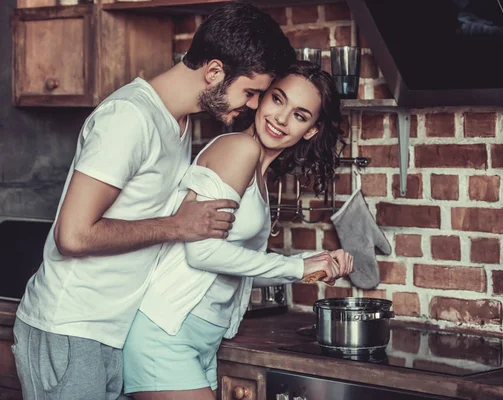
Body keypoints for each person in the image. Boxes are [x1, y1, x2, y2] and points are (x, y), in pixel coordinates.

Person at [11, 4, 297, 400]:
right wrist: (177, 226)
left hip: (112, 329)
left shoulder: (178, 123)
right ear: (214, 72)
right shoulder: (130, 117)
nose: (252, 105)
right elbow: (73, 235)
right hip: (71, 326)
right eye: (250, 92)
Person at [122, 60, 353, 400]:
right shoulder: (238, 149)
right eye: (278, 99)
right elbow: (202, 252)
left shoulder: (258, 172)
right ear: (261, 98)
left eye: (300, 115)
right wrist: (296, 267)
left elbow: (234, 268)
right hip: (166, 333)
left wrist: (311, 263)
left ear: (311, 130)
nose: (280, 118)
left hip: (198, 337)